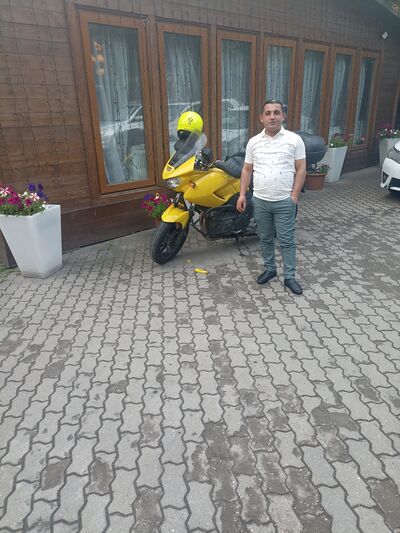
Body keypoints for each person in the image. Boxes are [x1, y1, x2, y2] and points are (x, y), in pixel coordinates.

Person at [236, 100, 306, 295]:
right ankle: (270, 269)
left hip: (284, 201)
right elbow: (247, 169)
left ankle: (289, 277)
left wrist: (294, 196)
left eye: (276, 112)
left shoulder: (294, 140)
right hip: (260, 200)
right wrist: (242, 194)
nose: (272, 116)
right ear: (262, 118)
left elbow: (301, 169)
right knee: (265, 238)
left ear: (283, 116)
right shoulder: (253, 142)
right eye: (268, 113)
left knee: (286, 240)